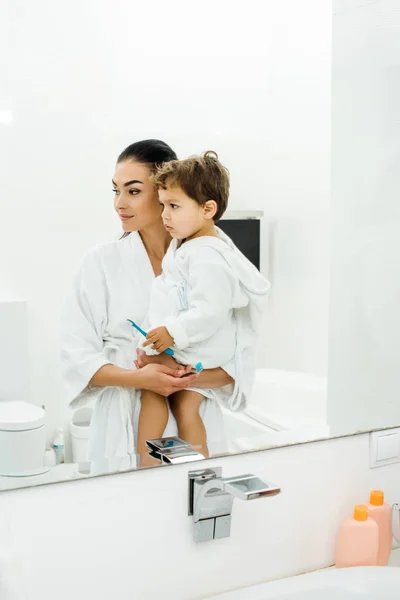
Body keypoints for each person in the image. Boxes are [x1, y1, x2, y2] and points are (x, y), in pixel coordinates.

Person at [60, 140, 235, 473]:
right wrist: (141, 378)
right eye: (116, 191)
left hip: (195, 412)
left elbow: (239, 356)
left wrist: (187, 379)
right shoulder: (100, 263)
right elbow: (76, 357)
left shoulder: (209, 259)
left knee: (193, 507)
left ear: (165, 190)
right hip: (124, 419)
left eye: (133, 191)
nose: (119, 204)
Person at [135, 152, 270, 465]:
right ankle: (198, 472)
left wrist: (170, 333)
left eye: (174, 206)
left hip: (201, 347)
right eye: (163, 204)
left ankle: (146, 466)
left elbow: (210, 311)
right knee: (185, 406)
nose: (164, 215)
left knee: (152, 388)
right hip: (199, 346)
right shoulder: (189, 245)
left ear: (208, 209)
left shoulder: (208, 257)